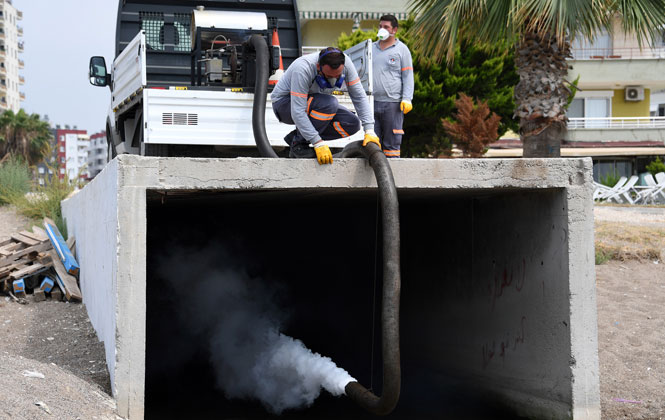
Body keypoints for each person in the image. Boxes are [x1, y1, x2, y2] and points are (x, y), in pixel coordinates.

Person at [271, 47, 379, 165]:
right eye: (329, 76)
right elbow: (297, 112)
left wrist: (369, 130)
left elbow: (359, 96)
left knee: (351, 123)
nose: (333, 81)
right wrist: (318, 142)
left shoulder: (347, 64)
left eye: (337, 77)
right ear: (318, 67)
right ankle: (299, 145)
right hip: (285, 105)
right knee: (329, 104)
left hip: (318, 103)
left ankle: (296, 137)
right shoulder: (303, 68)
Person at [372, 14, 414, 158]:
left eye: (386, 27)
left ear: (394, 30)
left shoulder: (402, 50)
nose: (381, 29)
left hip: (393, 104)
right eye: (380, 26)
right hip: (372, 102)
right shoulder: (371, 49)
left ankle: (392, 176)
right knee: (372, 143)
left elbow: (408, 76)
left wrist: (407, 98)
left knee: (392, 143)